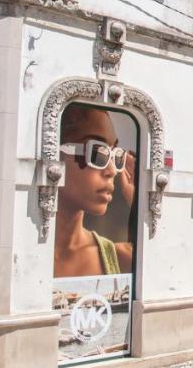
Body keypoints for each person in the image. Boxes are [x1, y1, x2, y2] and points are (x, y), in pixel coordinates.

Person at [55, 105, 134, 278]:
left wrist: (140, 204)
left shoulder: (123, 258)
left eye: (115, 156)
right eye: (98, 152)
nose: (112, 170)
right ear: (55, 153)